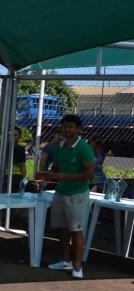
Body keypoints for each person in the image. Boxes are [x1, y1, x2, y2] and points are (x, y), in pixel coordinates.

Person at [46, 115, 95, 279]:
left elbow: (90, 173)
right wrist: (51, 172)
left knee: (76, 230)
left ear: (78, 129)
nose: (67, 129)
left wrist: (66, 176)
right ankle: (65, 260)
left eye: (70, 127)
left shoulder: (83, 148)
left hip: (77, 195)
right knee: (63, 228)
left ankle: (78, 266)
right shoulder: (59, 147)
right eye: (65, 126)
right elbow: (56, 165)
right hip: (60, 192)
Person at [2, 126, 27, 193]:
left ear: (19, 137)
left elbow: (22, 165)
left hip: (17, 176)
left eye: (15, 135)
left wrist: (24, 178)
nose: (13, 137)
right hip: (5, 176)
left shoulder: (21, 149)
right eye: (11, 135)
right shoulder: (4, 147)